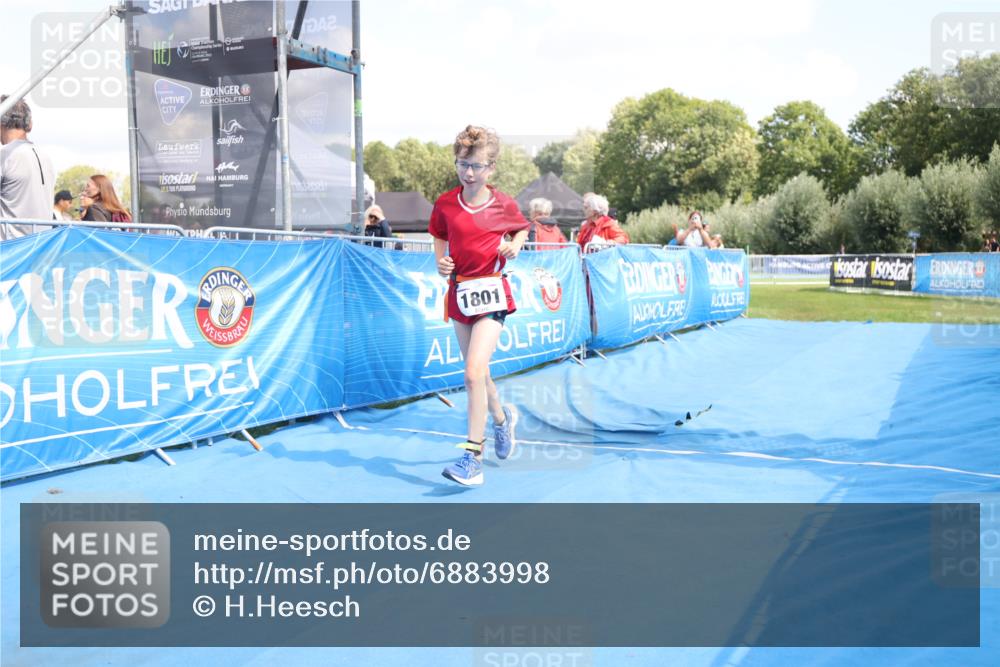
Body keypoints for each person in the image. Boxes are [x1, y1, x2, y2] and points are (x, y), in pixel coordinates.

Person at [429, 125, 530, 486]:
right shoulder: (445, 203)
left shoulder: (503, 203)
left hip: (492, 292)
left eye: (476, 166)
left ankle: (473, 457)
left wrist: (515, 245)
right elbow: (439, 234)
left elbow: (521, 228)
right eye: (462, 165)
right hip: (460, 293)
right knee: (480, 373)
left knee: (472, 372)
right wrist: (441, 262)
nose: (468, 173)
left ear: (491, 168)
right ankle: (502, 420)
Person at [1, 96, 55, 239]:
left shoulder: (5, 155)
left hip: (12, 246)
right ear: (29, 124)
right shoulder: (46, 157)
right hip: (42, 244)